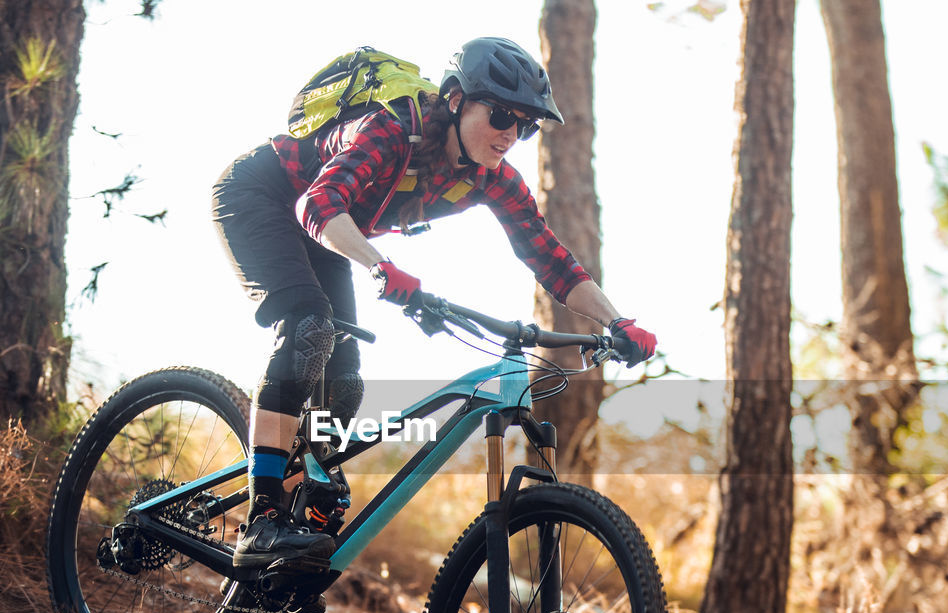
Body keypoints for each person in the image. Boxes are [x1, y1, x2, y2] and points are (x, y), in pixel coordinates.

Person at [212, 36, 657, 576]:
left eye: (526, 125)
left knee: (345, 376)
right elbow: (318, 202)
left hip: (328, 229)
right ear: (454, 100)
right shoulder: (392, 129)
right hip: (263, 194)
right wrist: (379, 266)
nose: (511, 135)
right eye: (499, 115)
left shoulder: (494, 179)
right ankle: (261, 518)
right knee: (309, 328)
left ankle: (302, 483)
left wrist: (618, 321)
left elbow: (552, 261)